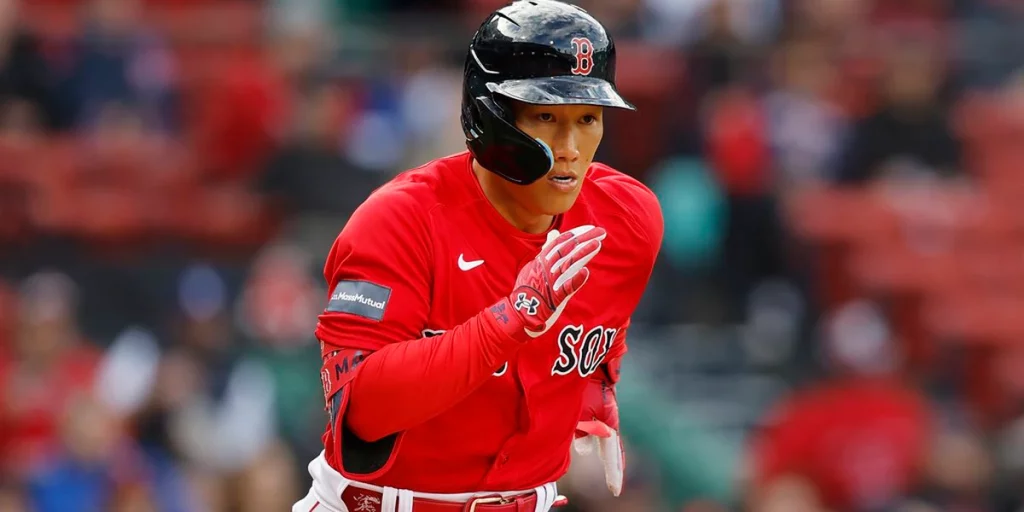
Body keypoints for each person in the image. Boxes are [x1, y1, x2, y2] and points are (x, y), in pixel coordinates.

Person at [292, 1, 663, 510]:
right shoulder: (401, 219)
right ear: (489, 117)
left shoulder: (628, 218)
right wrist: (511, 320)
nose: (572, 146)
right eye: (546, 117)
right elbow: (361, 411)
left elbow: (605, 322)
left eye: (587, 118)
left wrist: (598, 378)